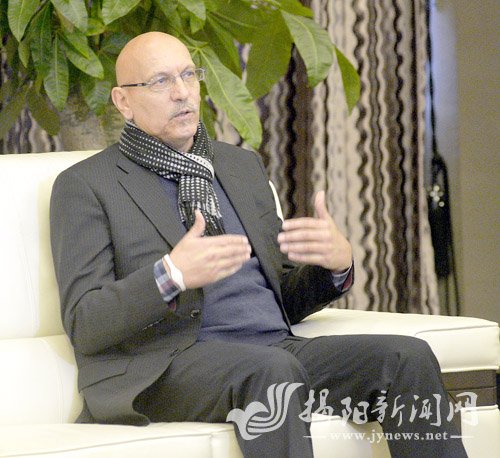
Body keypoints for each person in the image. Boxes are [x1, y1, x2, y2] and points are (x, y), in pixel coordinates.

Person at [50, 32, 467, 458]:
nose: (181, 92)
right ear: (123, 101)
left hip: (271, 350)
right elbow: (85, 322)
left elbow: (281, 295)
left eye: (189, 75)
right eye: (160, 81)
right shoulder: (86, 185)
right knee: (272, 371)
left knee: (406, 356)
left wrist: (335, 266)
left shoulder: (239, 166)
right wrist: (171, 275)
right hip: (166, 367)